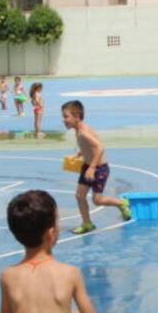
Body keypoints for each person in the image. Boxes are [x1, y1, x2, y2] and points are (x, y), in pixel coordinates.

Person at [61, 100, 132, 235]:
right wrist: (80, 153)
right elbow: (90, 146)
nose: (64, 120)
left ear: (76, 116)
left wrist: (92, 167)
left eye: (66, 116)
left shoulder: (83, 132)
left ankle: (121, 203)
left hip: (99, 169)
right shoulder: (79, 130)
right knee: (79, 195)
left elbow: (100, 147)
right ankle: (87, 223)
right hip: (88, 166)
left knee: (97, 200)